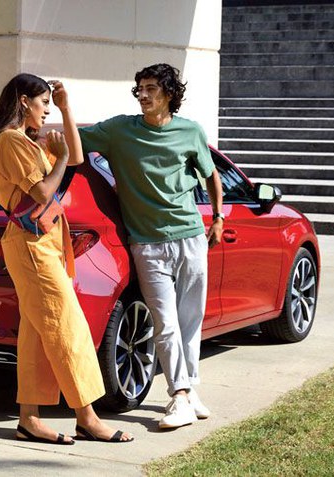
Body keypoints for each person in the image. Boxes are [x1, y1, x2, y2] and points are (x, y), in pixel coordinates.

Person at [0, 73, 134, 444]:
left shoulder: (27, 141)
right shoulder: (9, 140)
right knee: (68, 327)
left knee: (37, 334)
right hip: (31, 245)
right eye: (45, 103)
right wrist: (60, 157)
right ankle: (87, 417)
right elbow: (43, 190)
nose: (47, 110)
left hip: (43, 242)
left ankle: (29, 419)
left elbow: (77, 157)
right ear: (24, 101)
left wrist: (66, 109)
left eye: (50, 104)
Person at [79, 63, 224, 429]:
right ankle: (179, 395)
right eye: (140, 89)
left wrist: (219, 217)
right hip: (147, 244)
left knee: (190, 320)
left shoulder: (190, 131)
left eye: (151, 89)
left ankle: (190, 389)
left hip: (191, 237)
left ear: (169, 94)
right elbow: (73, 141)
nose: (142, 95)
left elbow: (211, 174)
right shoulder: (118, 131)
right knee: (165, 321)